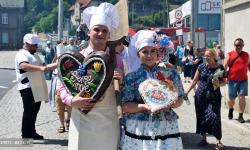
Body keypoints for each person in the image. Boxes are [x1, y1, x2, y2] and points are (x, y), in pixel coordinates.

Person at [59, 3, 124, 149]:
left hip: (108, 120)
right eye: (96, 29)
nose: (100, 33)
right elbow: (63, 87)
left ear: (109, 34)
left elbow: (122, 92)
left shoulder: (117, 60)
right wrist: (71, 100)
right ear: (88, 32)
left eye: (104, 30)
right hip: (81, 117)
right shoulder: (76, 59)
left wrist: (121, 80)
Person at [120, 30, 184, 150]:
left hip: (166, 125)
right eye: (145, 52)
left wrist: (171, 104)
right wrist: (145, 107)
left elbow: (180, 98)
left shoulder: (171, 74)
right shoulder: (131, 77)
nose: (149, 55)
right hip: (139, 126)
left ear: (158, 53)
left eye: (153, 51)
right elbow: (125, 106)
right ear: (138, 54)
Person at [15, 34, 57, 139]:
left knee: (34, 110)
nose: (37, 46)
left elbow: (45, 67)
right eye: (35, 45)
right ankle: (25, 134)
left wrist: (59, 63)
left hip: (36, 86)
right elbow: (24, 66)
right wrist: (40, 68)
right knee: (29, 110)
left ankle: (31, 132)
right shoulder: (22, 54)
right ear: (29, 44)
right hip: (27, 86)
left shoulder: (34, 55)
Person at [185, 49, 227, 150]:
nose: (206, 58)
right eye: (205, 56)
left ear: (214, 56)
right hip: (201, 94)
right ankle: (204, 139)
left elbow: (225, 82)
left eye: (208, 56)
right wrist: (186, 92)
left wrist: (218, 84)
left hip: (214, 95)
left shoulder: (220, 67)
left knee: (215, 116)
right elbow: (194, 81)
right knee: (201, 115)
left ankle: (218, 140)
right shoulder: (201, 66)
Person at [224, 38, 250, 123]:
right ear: (234, 45)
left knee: (242, 97)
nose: (238, 47)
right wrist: (224, 78)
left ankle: (240, 116)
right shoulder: (229, 54)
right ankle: (231, 109)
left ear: (243, 46)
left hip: (243, 80)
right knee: (231, 99)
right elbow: (224, 67)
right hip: (232, 80)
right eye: (237, 45)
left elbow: (248, 64)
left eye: (240, 45)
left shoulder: (246, 54)